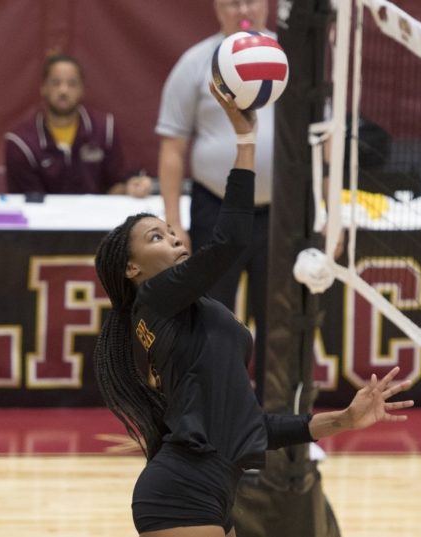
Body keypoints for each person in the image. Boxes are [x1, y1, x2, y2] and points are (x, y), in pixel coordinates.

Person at [95, 83, 414, 537]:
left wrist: (344, 419)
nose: (171, 240)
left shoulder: (186, 314)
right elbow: (231, 241)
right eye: (155, 238)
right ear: (131, 268)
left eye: (169, 232)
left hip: (214, 491)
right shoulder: (154, 301)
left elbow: (259, 426)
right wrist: (245, 142)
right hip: (181, 493)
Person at [156, 0, 274, 398]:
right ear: (216, 8)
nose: (244, 9)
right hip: (215, 209)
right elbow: (172, 149)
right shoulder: (195, 64)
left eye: (252, 0)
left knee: (279, 322)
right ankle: (213, 419)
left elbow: (321, 141)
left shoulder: (287, 60)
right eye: (232, 1)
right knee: (212, 318)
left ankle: (277, 426)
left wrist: (327, 211)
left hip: (280, 214)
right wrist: (173, 223)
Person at [5, 53, 151, 197]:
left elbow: (115, 185)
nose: (63, 90)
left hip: (97, 218)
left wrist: (131, 187)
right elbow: (27, 202)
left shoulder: (104, 128)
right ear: (43, 87)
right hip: (42, 219)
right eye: (56, 83)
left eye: (72, 83)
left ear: (82, 89)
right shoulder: (21, 142)